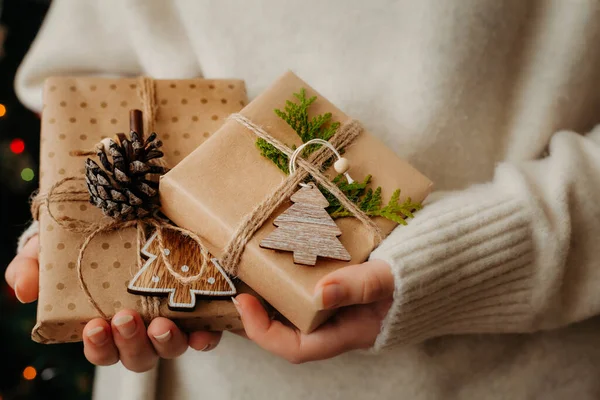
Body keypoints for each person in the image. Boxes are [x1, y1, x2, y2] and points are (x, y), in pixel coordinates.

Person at [5, 0, 600, 399]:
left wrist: (497, 248)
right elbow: (86, 83)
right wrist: (75, 225)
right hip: (196, 379)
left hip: (503, 374)